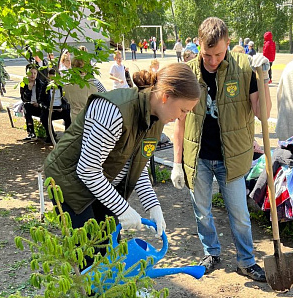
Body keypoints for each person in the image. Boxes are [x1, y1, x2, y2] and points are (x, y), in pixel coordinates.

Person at [44, 63, 201, 238]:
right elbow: (87, 170)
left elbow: (136, 164)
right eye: (183, 110)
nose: (182, 117)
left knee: (110, 246)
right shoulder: (114, 112)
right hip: (70, 181)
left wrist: (152, 205)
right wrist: (123, 208)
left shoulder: (156, 119)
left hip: (102, 182)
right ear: (165, 96)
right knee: (88, 253)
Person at [170, 17, 272, 282]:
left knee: (239, 215)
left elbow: (262, 113)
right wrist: (176, 162)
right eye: (207, 54)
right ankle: (211, 252)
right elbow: (179, 121)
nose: (212, 60)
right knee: (201, 211)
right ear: (198, 44)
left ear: (228, 43)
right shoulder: (188, 73)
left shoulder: (244, 69)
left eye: (218, 54)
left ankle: (246, 261)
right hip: (199, 158)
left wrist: (264, 79)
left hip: (233, 158)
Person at [40, 68, 71, 144]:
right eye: (50, 79)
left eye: (54, 79)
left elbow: (68, 101)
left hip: (61, 109)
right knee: (44, 118)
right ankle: (51, 136)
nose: (52, 81)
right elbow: (41, 101)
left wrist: (62, 107)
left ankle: (67, 137)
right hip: (50, 110)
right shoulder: (45, 87)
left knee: (68, 115)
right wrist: (48, 108)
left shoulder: (63, 87)